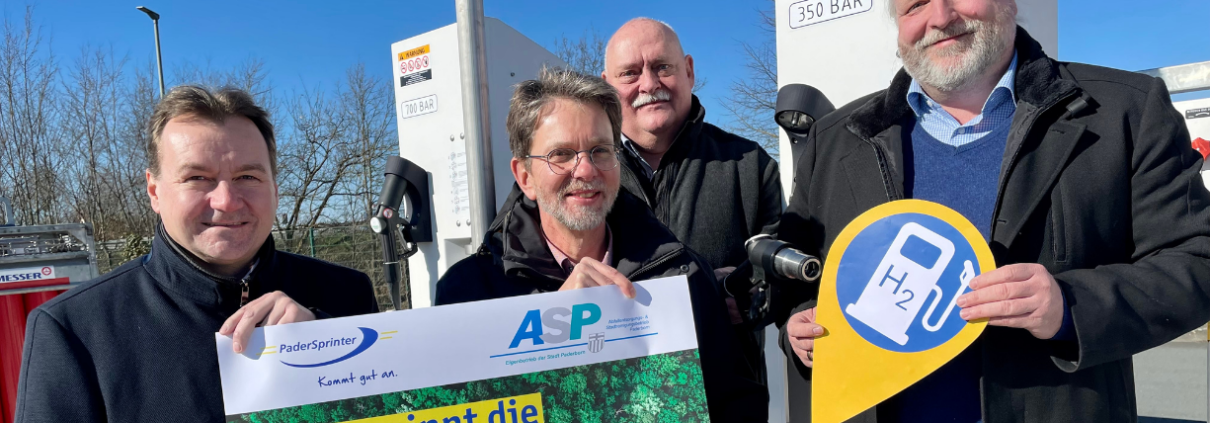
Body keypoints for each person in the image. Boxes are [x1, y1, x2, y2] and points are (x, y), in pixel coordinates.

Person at [777, 0, 1210, 421]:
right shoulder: (834, 139)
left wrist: (1071, 305)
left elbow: (1197, 260)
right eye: (915, 6)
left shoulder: (1123, 111)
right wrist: (798, 323)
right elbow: (795, 275)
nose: (940, 17)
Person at [14, 86, 379, 422]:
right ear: (154, 192)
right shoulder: (75, 329)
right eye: (197, 178)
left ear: (275, 188)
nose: (226, 201)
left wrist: (325, 346)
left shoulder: (346, 296)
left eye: (248, 177)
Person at [434, 68, 768, 421]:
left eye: (600, 150)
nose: (586, 170)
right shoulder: (468, 294)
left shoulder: (681, 276)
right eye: (561, 154)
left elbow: (736, 402)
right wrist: (554, 333)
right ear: (525, 177)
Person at [602, 16, 784, 386]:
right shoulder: (582, 176)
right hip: (615, 398)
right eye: (630, 73)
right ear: (607, 88)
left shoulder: (750, 165)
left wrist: (751, 295)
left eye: (662, 67)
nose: (649, 84)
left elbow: (786, 272)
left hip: (728, 403)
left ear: (688, 71)